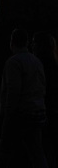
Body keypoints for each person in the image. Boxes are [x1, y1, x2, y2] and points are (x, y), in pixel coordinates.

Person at [0, 29, 48, 168]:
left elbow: (13, 91)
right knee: (37, 152)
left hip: (19, 115)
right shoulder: (36, 61)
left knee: (4, 151)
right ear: (27, 43)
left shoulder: (14, 62)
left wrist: (8, 113)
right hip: (37, 112)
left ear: (12, 42)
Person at [33, 31, 58, 168]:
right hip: (51, 110)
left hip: (45, 110)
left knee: (45, 146)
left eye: (35, 43)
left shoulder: (42, 65)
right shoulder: (53, 63)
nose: (32, 46)